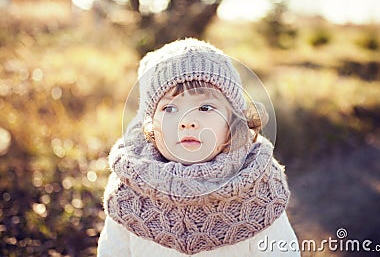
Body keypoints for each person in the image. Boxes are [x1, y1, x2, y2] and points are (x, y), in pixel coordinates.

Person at [97, 38, 300, 256]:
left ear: (232, 122)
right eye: (170, 109)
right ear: (150, 124)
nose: (187, 121)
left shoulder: (258, 187)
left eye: (205, 107)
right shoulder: (130, 189)